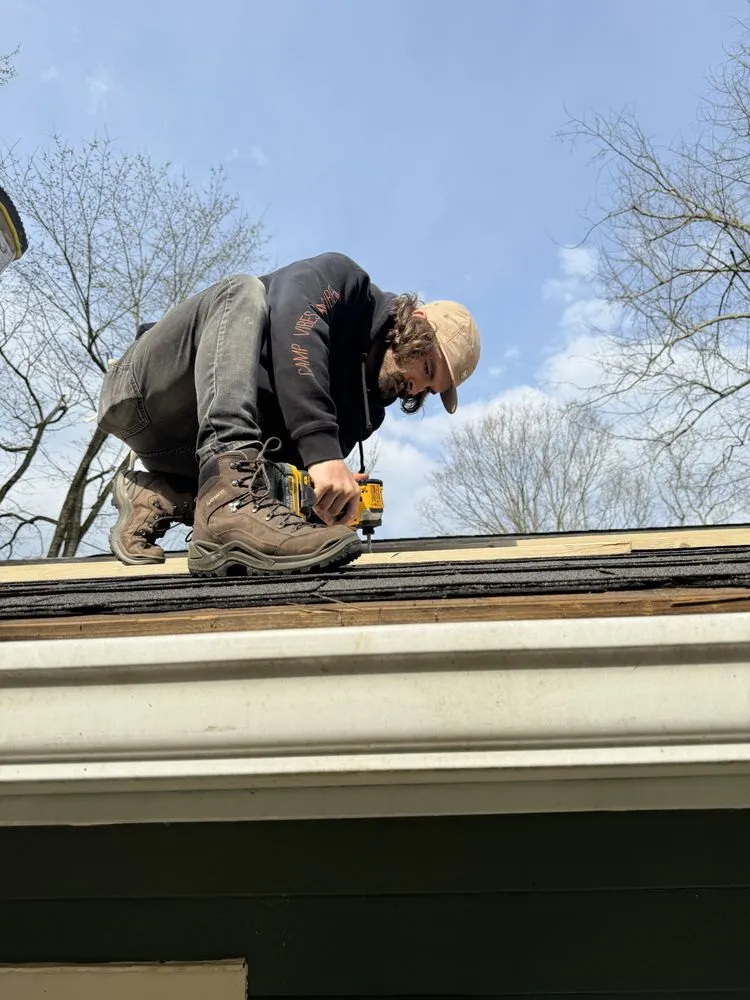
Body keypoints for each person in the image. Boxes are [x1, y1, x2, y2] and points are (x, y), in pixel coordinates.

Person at [97, 252, 480, 576]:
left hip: (181, 452)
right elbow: (295, 319)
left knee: (270, 488)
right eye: (427, 370)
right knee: (240, 292)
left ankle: (160, 496)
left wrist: (317, 505)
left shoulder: (364, 417)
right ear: (417, 323)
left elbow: (276, 472)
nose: (415, 388)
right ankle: (225, 495)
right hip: (147, 390)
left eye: (428, 390)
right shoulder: (347, 285)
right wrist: (323, 453)